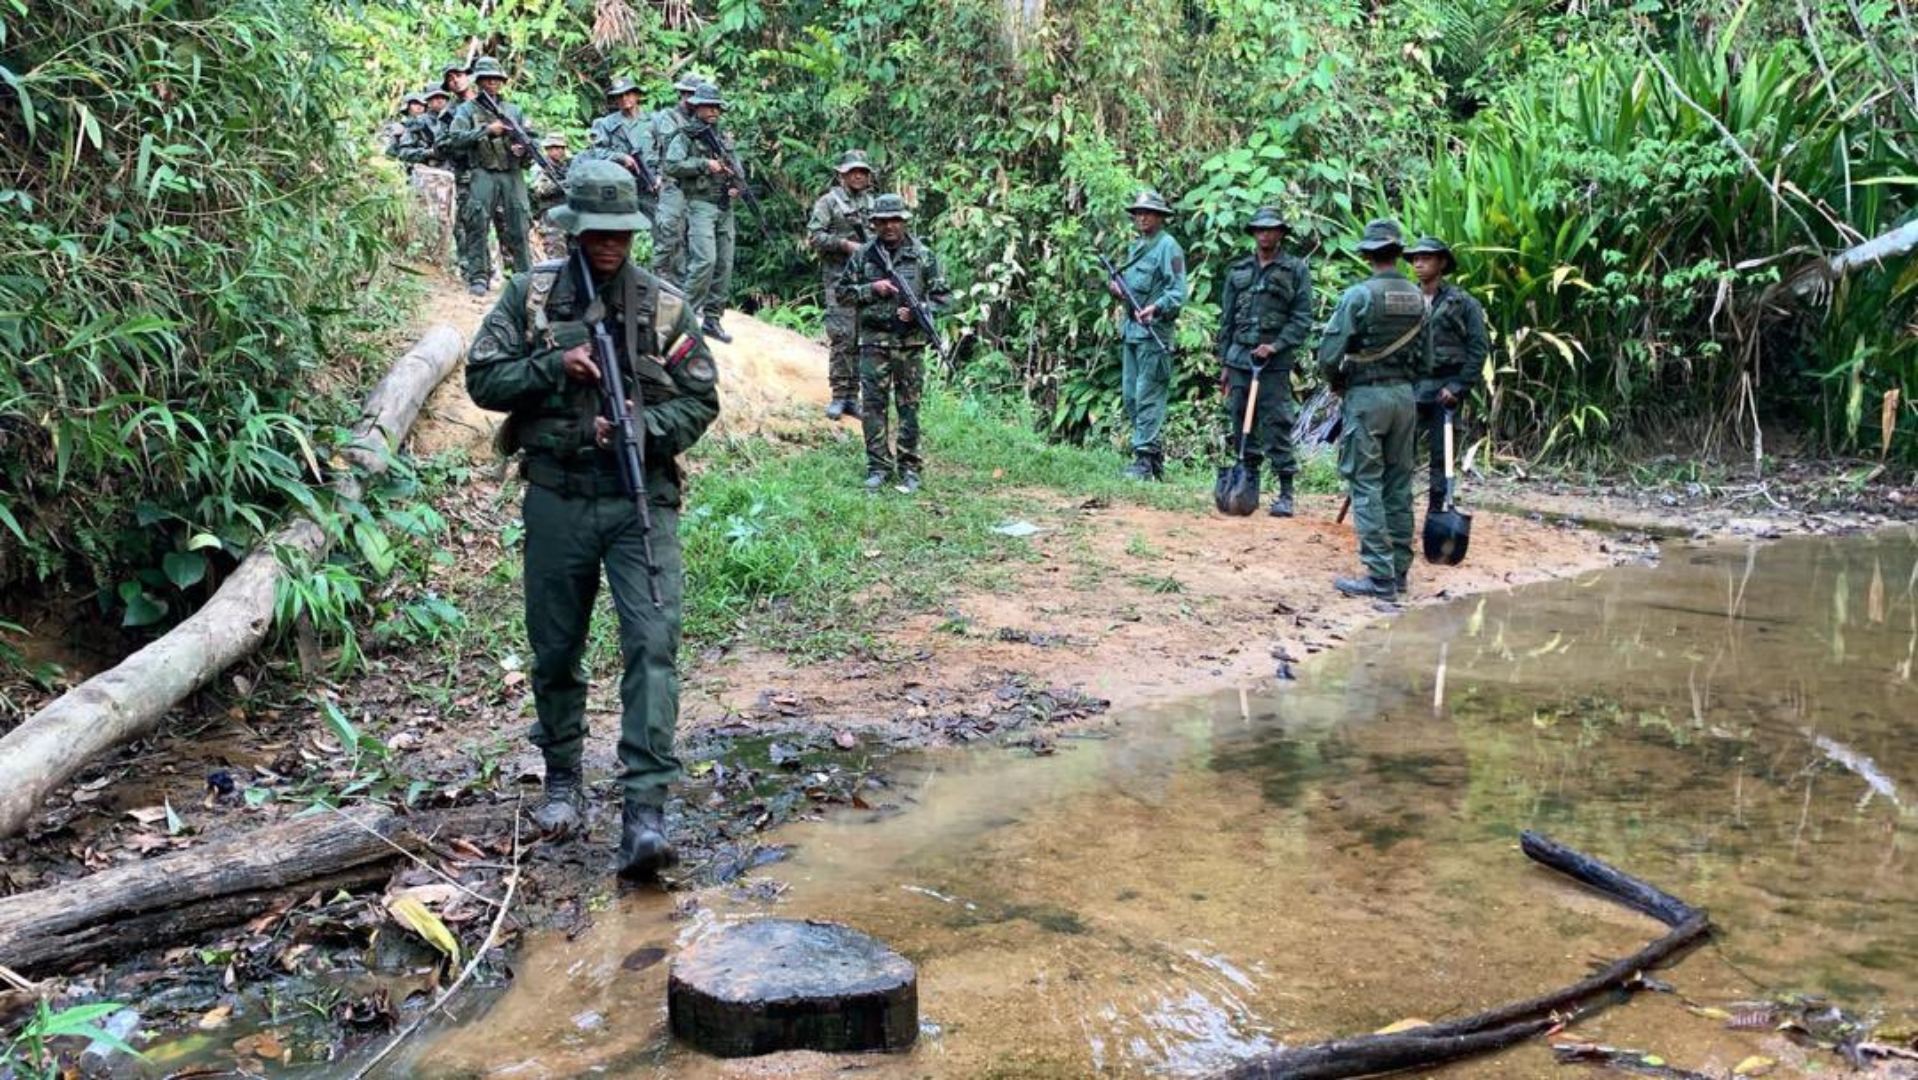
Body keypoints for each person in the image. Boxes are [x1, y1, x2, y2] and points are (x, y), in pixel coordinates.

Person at [465, 159, 720, 881]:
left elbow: (701, 401)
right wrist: (555, 367)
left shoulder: (665, 306)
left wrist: (643, 427)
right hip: (556, 496)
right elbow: (483, 378)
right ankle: (563, 779)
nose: (611, 245)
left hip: (640, 500)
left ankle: (645, 810)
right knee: (554, 647)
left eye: (623, 234)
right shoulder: (530, 296)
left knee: (651, 643)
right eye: (599, 233)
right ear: (574, 230)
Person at [1314, 219, 1429, 601]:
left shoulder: (1358, 297)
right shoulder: (1417, 297)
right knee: (1399, 485)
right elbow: (1426, 359)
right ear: (1399, 253)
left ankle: (1379, 576)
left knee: (1365, 483)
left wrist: (1337, 381)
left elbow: (1329, 354)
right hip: (1404, 399)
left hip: (1367, 399)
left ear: (1366, 254)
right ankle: (1398, 573)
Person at [834, 193, 950, 493]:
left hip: (910, 346)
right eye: (883, 221)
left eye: (895, 220)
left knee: (909, 408)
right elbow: (842, 293)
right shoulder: (863, 255)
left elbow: (943, 299)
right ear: (873, 224)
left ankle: (909, 467)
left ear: (904, 221)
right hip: (874, 343)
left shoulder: (922, 255)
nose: (889, 226)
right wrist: (872, 289)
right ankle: (877, 467)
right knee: (873, 406)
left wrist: (919, 311)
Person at [1216, 206, 1314, 516]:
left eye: (1271, 229)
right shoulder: (1239, 270)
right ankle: (1247, 486)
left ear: (1281, 234)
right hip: (1240, 360)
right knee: (1240, 422)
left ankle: (1286, 492)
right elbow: (1228, 321)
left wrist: (1275, 346)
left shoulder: (1295, 270)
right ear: (1254, 233)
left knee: (1276, 424)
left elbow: (1302, 319)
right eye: (1260, 229)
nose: (1265, 234)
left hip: (1274, 364)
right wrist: (1225, 364)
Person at [1404, 236, 1489, 516]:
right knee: (1400, 452)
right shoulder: (1405, 300)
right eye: (1415, 258)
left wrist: (1458, 386)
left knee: (1442, 457)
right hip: (1411, 387)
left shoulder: (1463, 303)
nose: (1419, 263)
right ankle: (1399, 513)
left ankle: (1436, 512)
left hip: (1446, 389)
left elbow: (1478, 348)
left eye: (1426, 258)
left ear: (1441, 262)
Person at [1108, 190, 1187, 480]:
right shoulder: (1137, 247)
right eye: (1138, 212)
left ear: (1160, 217)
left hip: (1155, 333)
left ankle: (1143, 461)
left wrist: (1157, 307)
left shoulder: (1168, 247)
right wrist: (1117, 289)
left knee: (1148, 396)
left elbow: (1178, 292)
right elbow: (1129, 287)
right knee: (1131, 396)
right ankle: (1153, 459)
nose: (1141, 217)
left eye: (1148, 213)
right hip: (1132, 332)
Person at [446, 56, 536, 296]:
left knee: (519, 222)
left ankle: (524, 277)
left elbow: (531, 138)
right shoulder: (467, 109)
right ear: (479, 82)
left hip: (512, 172)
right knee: (477, 222)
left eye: (496, 80)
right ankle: (478, 277)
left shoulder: (513, 110)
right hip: (483, 171)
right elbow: (455, 139)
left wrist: (522, 148)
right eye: (487, 79)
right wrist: (486, 130)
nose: (492, 84)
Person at [662, 83, 739, 342]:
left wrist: (736, 186)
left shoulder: (724, 137)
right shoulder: (686, 135)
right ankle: (683, 316)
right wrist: (705, 164)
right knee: (705, 260)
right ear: (697, 107)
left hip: (724, 206)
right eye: (709, 106)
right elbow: (672, 166)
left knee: (724, 264)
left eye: (717, 106)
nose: (714, 111)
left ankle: (713, 319)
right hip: (700, 205)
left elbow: (735, 167)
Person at [806, 150, 877, 421]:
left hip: (868, 279)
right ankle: (838, 395)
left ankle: (852, 396)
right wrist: (846, 245)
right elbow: (814, 237)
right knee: (842, 335)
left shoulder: (874, 204)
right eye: (852, 172)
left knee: (862, 337)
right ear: (841, 175)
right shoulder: (829, 202)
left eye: (862, 171)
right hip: (839, 276)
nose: (858, 176)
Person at [648, 75, 702, 286]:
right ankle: (658, 278)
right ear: (682, 94)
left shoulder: (703, 119)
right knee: (669, 231)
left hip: (698, 185)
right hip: (673, 182)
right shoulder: (668, 117)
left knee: (694, 239)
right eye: (687, 94)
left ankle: (684, 288)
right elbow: (666, 144)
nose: (690, 98)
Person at [583, 76, 660, 221]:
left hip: (651, 184)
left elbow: (665, 151)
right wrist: (621, 157)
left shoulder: (653, 121)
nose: (624, 98)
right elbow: (596, 153)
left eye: (628, 94)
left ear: (637, 95)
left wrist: (661, 177)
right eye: (619, 96)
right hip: (621, 186)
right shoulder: (606, 124)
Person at [437, 61, 477, 280]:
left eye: (459, 75)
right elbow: (440, 144)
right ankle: (469, 269)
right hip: (466, 173)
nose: (456, 80)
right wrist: (466, 140)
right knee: (465, 221)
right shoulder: (448, 113)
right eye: (451, 79)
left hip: (495, 170)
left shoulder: (489, 102)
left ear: (468, 76)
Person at [530, 134, 572, 260]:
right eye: (553, 147)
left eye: (561, 148)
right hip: (552, 215)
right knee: (556, 253)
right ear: (547, 149)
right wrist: (563, 185)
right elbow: (540, 190)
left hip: (570, 214)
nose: (558, 151)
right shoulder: (541, 167)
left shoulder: (569, 166)